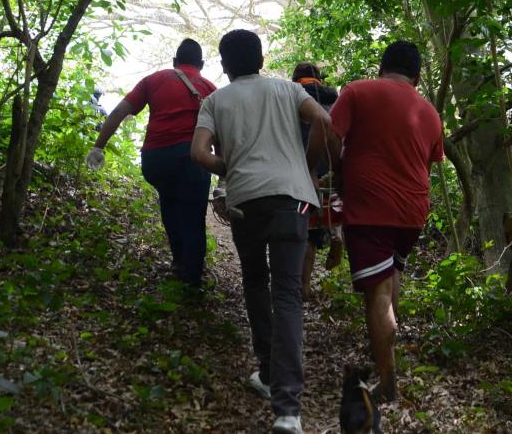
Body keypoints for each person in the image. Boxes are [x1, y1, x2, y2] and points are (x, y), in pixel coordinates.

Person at [191, 30, 330, 434]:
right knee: (287, 293)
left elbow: (199, 152)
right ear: (262, 58)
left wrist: (231, 169)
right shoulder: (288, 91)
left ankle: (268, 374)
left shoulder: (215, 100)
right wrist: (307, 165)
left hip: (247, 201)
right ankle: (288, 411)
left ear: (224, 63)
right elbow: (322, 120)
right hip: (293, 199)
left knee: (255, 281)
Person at [309, 40, 443, 402]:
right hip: (414, 211)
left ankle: (387, 380)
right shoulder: (430, 112)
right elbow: (429, 162)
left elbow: (329, 131)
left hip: (371, 207)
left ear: (382, 66)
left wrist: (336, 168)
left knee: (378, 292)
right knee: (391, 276)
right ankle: (386, 357)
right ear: (416, 76)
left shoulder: (358, 91)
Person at [85, 38, 215, 287]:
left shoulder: (154, 80)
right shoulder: (210, 88)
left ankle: (178, 261)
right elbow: (221, 132)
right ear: (201, 64)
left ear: (175, 62)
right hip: (193, 158)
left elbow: (119, 112)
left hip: (156, 159)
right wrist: (225, 174)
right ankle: (192, 277)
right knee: (193, 217)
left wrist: (98, 146)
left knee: (169, 201)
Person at [291, 62, 342, 300]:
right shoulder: (335, 103)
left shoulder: (291, 101)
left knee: (306, 231)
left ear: (295, 79)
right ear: (320, 80)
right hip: (329, 172)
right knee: (332, 212)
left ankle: (303, 285)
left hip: (299, 172)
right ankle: (337, 236)